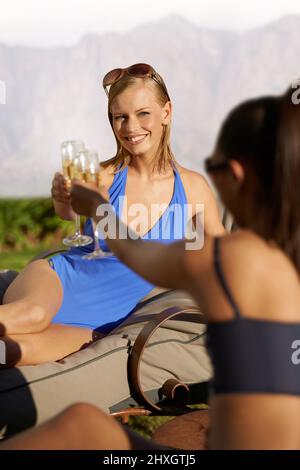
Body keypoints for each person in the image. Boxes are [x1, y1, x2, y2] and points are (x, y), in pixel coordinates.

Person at [66, 85, 300, 450]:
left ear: (235, 174)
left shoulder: (236, 258)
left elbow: (139, 255)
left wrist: (97, 208)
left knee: (81, 426)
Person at [0, 63, 223, 368]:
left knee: (12, 351)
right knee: (32, 315)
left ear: (166, 112)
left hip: (100, 322)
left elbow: (218, 255)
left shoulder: (193, 189)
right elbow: (68, 214)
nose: (131, 128)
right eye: (120, 117)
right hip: (59, 280)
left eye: (143, 113)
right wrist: (61, 197)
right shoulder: (103, 175)